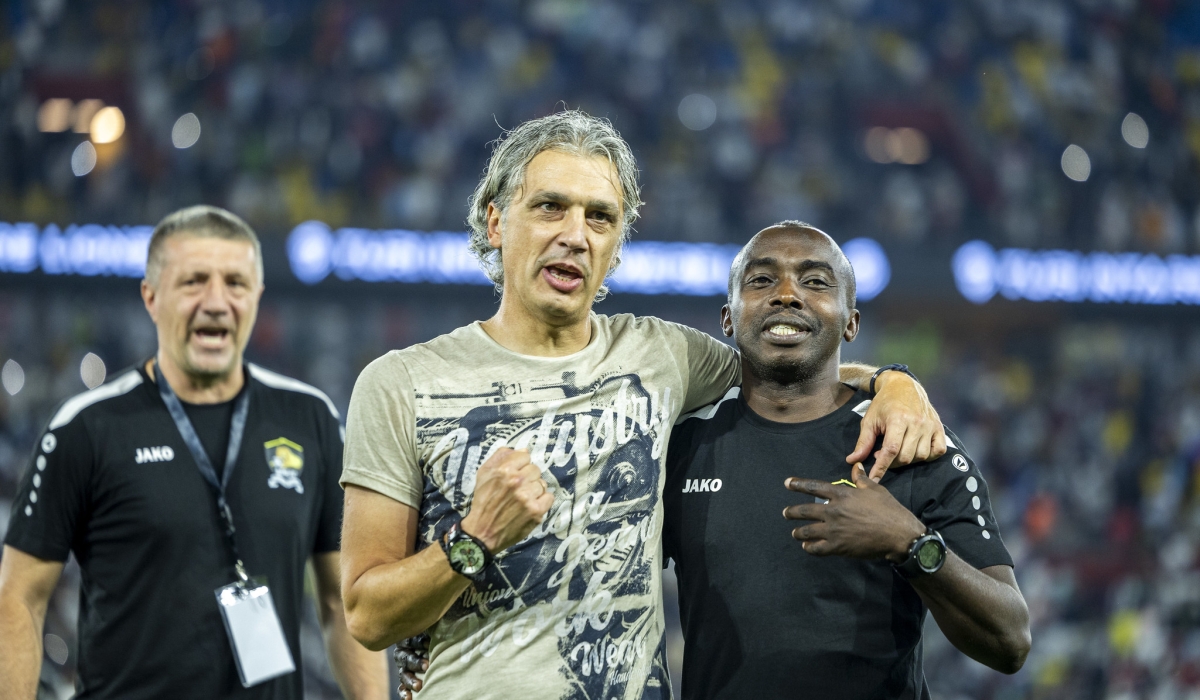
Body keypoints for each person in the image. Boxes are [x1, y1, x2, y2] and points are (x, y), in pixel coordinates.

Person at [338, 110, 946, 699]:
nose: (574, 235)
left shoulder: (660, 354)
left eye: (600, 217)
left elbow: (791, 365)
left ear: (615, 248)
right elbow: (367, 615)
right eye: (550, 206)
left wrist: (894, 382)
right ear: (496, 223)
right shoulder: (401, 383)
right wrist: (476, 537)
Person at [0, 206, 389, 700]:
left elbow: (341, 602)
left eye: (235, 283)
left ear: (257, 297)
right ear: (151, 297)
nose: (216, 301)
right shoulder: (85, 428)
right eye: (194, 282)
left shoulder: (309, 419)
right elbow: (20, 599)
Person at [661, 222, 1031, 698]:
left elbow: (1011, 641)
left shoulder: (911, 442)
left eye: (816, 281)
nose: (787, 294)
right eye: (761, 280)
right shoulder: (678, 447)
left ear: (851, 321)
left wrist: (910, 543)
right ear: (728, 318)